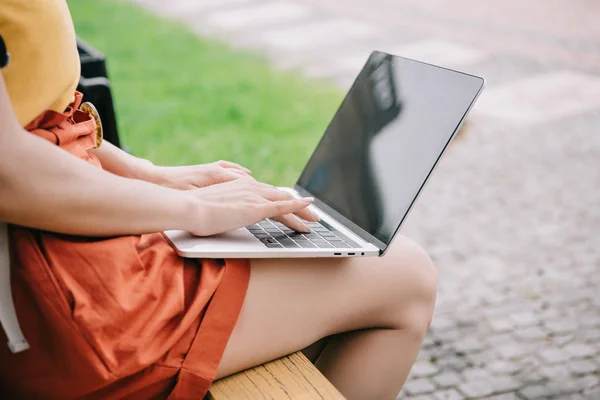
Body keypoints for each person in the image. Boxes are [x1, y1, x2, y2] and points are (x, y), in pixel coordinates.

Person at [0, 1, 437, 399]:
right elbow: (10, 173)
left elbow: (37, 121)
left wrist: (154, 177)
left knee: (337, 273)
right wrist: (200, 210)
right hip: (61, 304)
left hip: (70, 253)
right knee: (406, 276)